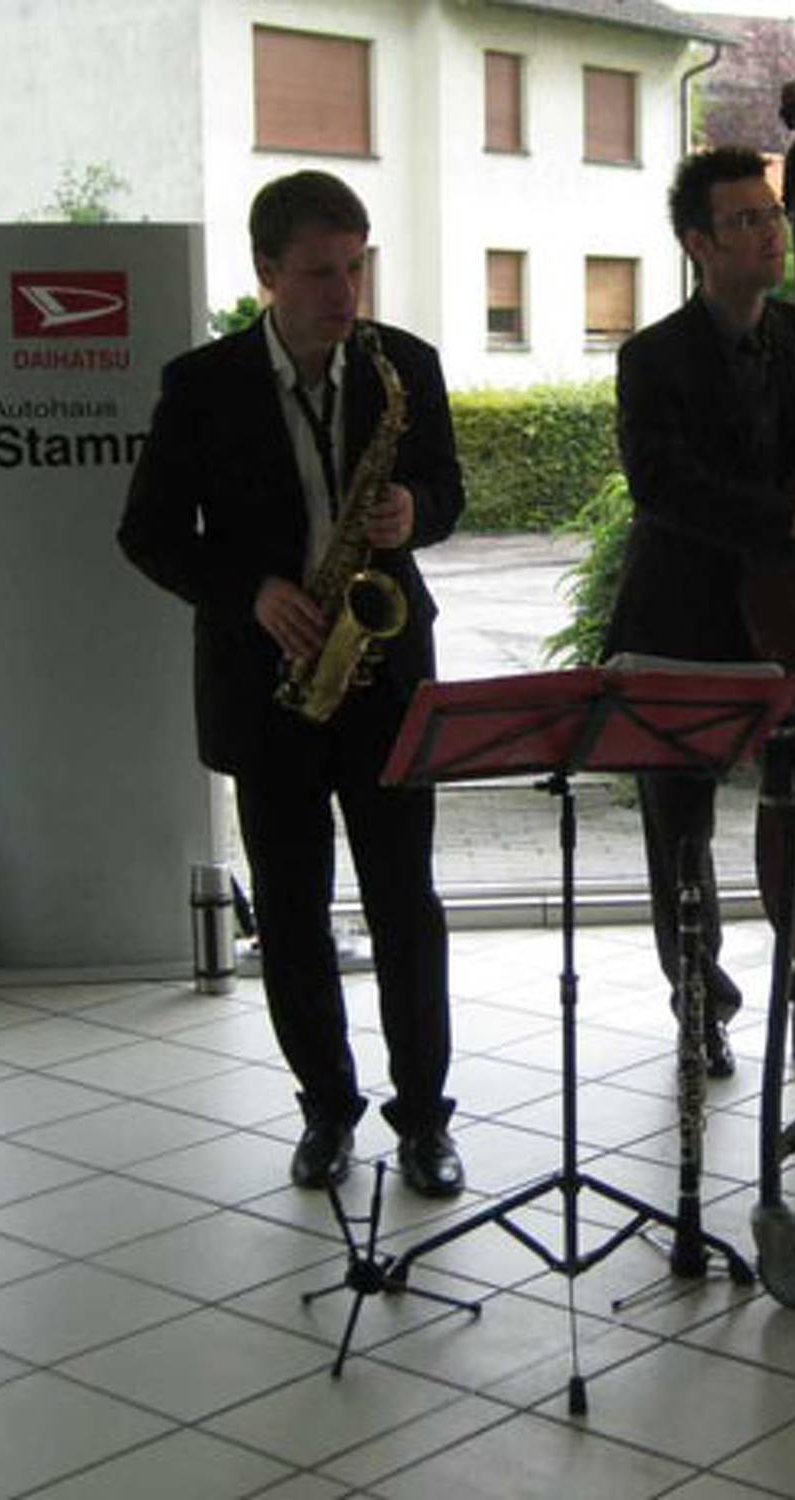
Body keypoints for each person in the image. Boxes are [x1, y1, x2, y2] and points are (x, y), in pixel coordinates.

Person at [119, 170, 466, 1197]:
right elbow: (147, 534)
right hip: (268, 684)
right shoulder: (203, 384)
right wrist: (252, 593)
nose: (344, 293)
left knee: (406, 907)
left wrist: (415, 510)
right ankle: (326, 1108)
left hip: (385, 677)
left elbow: (448, 491)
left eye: (356, 267)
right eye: (320, 273)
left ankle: (424, 1119)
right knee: (292, 911)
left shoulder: (404, 365)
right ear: (266, 271)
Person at [606, 146, 795, 1074]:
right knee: (681, 834)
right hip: (683, 620)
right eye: (745, 221)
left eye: (773, 216)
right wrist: (787, 520)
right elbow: (662, 485)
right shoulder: (651, 358)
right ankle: (700, 1007)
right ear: (698, 244)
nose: (770, 235)